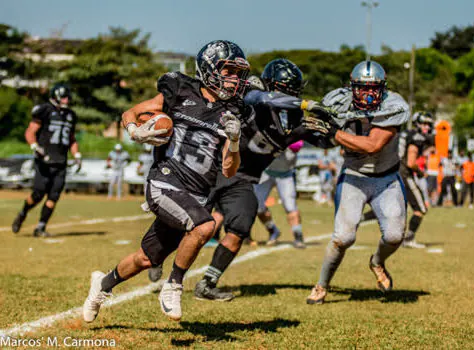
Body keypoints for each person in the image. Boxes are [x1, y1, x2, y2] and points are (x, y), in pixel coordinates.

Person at [81, 40, 247, 323]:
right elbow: (130, 113)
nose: (234, 78)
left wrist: (233, 141)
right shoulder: (179, 89)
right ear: (209, 68)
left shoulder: (233, 110)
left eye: (236, 72)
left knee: (146, 258)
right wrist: (136, 131)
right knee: (206, 225)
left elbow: (230, 171)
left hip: (195, 195)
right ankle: (174, 285)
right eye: (228, 70)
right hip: (165, 183)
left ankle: (102, 285)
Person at [186, 58, 333, 302]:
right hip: (216, 167)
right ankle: (157, 260)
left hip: (244, 179)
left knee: (241, 227)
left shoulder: (295, 118)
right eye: (287, 90)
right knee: (192, 223)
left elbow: (326, 140)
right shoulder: (254, 94)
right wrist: (307, 104)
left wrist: (334, 126)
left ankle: (207, 282)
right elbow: (265, 99)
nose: (292, 96)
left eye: (295, 92)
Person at [304, 60, 410, 304]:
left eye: (374, 88)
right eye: (362, 87)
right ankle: (321, 285)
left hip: (386, 179)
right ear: (351, 87)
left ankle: (377, 262)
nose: (368, 93)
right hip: (354, 176)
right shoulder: (337, 101)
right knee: (343, 237)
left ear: (383, 89)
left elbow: (373, 145)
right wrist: (318, 130)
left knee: (394, 236)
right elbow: (322, 136)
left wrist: (334, 133)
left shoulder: (394, 105)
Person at [11, 83, 81, 237]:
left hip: (61, 162)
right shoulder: (44, 110)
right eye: (64, 96)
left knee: (54, 196)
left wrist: (76, 155)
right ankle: (23, 213)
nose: (66, 100)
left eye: (68, 97)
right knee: (38, 194)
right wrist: (35, 146)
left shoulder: (70, 115)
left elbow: (71, 138)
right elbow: (30, 132)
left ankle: (40, 227)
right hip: (44, 160)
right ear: (56, 96)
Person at [254, 140, 305, 247]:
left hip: (285, 175)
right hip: (266, 172)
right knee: (257, 206)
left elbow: (297, 145)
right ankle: (273, 230)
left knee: (290, 207)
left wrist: (282, 139)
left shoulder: (292, 129)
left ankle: (298, 236)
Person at [397, 112, 434, 248]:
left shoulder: (406, 133)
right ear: (417, 123)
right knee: (421, 208)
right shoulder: (416, 137)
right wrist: (420, 172)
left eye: (428, 124)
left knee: (399, 209)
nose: (427, 127)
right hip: (404, 174)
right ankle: (408, 239)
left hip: (395, 172)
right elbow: (411, 162)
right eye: (424, 124)